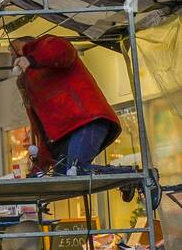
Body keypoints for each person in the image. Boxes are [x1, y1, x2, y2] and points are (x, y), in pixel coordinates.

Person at [11, 35, 120, 175]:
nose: (15, 56)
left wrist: (32, 59)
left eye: (16, 50)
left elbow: (61, 50)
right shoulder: (29, 82)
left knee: (75, 170)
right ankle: (130, 176)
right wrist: (41, 163)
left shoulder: (49, 45)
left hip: (85, 119)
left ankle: (133, 176)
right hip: (66, 131)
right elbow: (39, 125)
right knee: (62, 174)